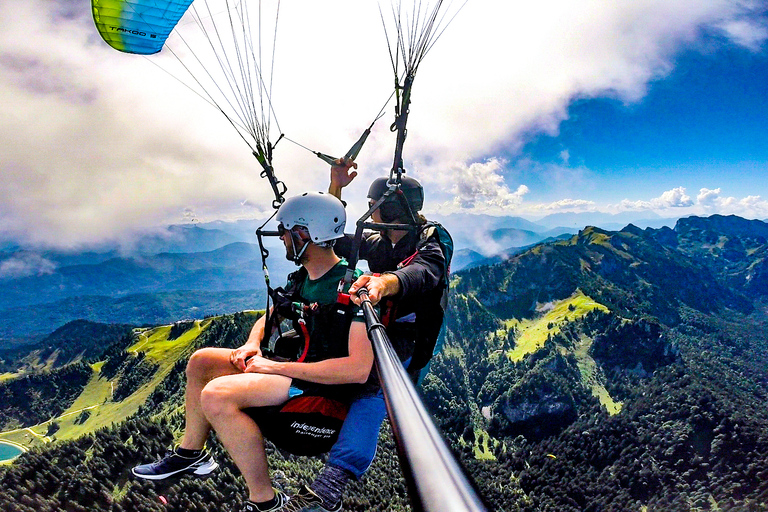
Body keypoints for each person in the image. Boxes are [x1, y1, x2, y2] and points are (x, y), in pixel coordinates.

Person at [131, 191, 373, 512]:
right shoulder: (305, 277)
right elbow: (273, 314)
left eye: (286, 232)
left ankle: (264, 502)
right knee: (201, 362)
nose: (282, 239)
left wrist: (274, 369)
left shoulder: (351, 287)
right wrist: (251, 343)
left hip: (319, 394)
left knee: (216, 395)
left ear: (305, 234)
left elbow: (356, 370)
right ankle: (191, 454)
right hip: (289, 370)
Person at [282, 161, 451, 512]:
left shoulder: (431, 240)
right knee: (343, 370)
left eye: (377, 209)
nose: (374, 215)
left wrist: (384, 282)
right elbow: (323, 239)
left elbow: (423, 272)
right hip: (375, 325)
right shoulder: (378, 241)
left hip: (407, 335)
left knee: (374, 389)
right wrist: (335, 187)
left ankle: (329, 488)